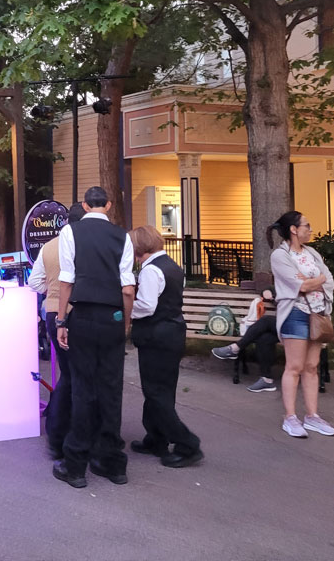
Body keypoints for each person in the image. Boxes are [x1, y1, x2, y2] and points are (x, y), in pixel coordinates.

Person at [52, 186, 135, 490]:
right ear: (109, 205)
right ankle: (113, 463)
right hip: (112, 316)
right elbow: (128, 288)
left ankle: (75, 466)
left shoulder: (71, 233)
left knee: (83, 389)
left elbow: (66, 281)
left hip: (83, 316)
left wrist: (62, 320)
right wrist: (124, 322)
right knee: (111, 388)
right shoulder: (123, 236)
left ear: (86, 205)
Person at [128, 225, 203, 468]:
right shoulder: (172, 266)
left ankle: (187, 443)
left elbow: (147, 305)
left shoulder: (150, 271)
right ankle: (155, 437)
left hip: (156, 335)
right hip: (172, 333)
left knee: (155, 392)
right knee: (163, 390)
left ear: (138, 248)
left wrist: (127, 311)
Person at [268, 211, 334, 438]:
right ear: (293, 229)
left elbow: (329, 280)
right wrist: (313, 282)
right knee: (294, 367)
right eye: (306, 225)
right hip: (296, 314)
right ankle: (290, 417)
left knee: (311, 366)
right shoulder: (280, 256)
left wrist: (312, 281)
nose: (310, 229)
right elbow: (300, 287)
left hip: (318, 313)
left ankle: (312, 416)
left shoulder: (312, 253)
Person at [28, 202, 86, 459]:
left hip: (53, 312)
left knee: (68, 373)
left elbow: (34, 282)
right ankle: (63, 430)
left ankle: (58, 430)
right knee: (75, 375)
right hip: (80, 313)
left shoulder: (49, 247)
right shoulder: (84, 246)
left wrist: (50, 294)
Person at [211, 289, 279, 392]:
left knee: (266, 320)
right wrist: (267, 291)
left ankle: (235, 348)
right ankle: (266, 380)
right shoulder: (286, 286)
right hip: (284, 326)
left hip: (297, 326)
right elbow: (271, 291)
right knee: (264, 339)